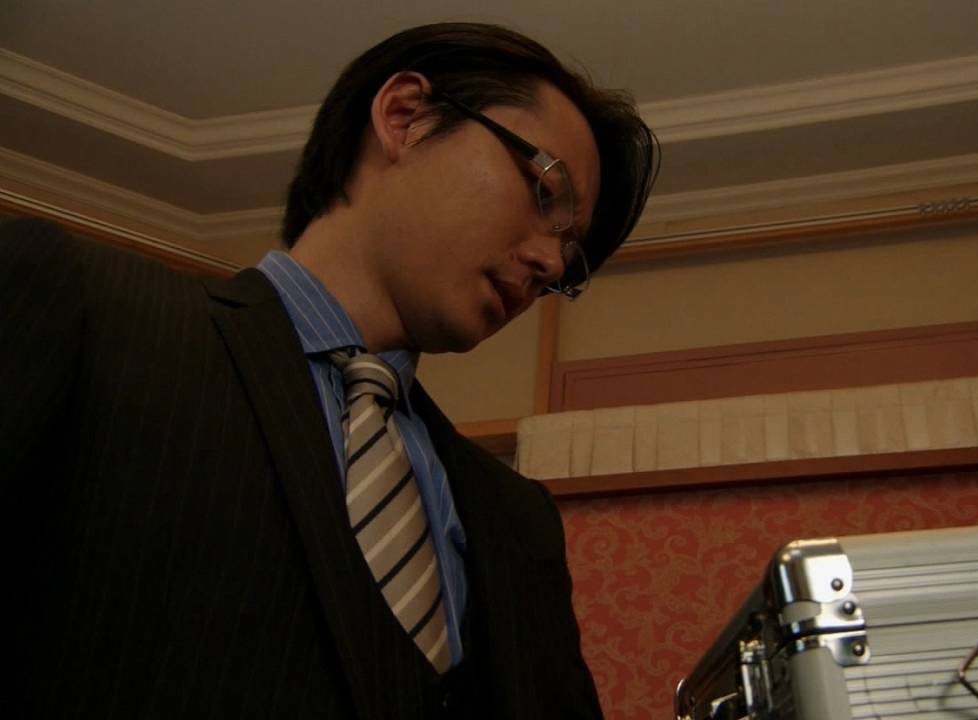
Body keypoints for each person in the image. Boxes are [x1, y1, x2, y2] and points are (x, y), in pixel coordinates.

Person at [2, 23, 658, 719]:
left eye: (570, 256)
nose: (550, 263)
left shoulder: (517, 519)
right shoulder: (89, 310)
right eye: (546, 191)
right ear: (405, 116)